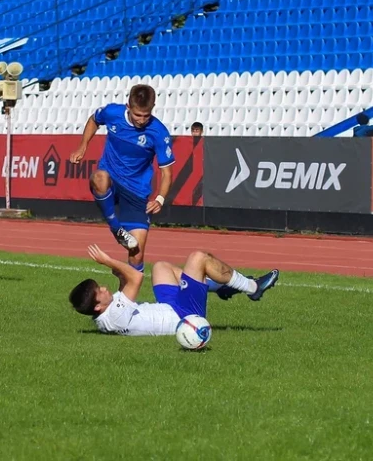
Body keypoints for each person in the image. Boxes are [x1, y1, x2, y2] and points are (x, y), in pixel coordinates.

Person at [69, 85, 173, 272]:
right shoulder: (112, 113)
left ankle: (126, 300)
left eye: (146, 115)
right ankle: (116, 229)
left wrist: (160, 198)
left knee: (137, 252)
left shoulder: (159, 132)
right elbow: (94, 120)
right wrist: (83, 145)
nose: (141, 120)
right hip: (111, 178)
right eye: (137, 115)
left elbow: (166, 172)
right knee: (98, 177)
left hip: (136, 191)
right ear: (128, 107)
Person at [69, 244, 280, 336]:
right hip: (184, 316)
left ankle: (223, 288)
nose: (104, 288)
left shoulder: (105, 317)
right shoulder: (113, 314)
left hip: (169, 308)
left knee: (161, 266)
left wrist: (121, 278)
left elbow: (126, 291)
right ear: (97, 306)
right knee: (199, 258)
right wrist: (108, 261)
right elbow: (137, 276)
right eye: (100, 290)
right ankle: (253, 287)